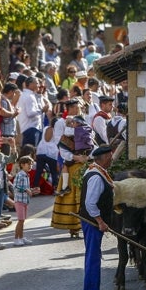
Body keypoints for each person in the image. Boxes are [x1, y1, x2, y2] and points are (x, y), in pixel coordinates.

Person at [79, 145, 115, 290]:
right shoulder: (96, 177)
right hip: (92, 222)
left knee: (94, 256)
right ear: (105, 158)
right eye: (111, 157)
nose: (112, 159)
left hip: (92, 221)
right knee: (93, 257)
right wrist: (100, 221)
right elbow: (90, 203)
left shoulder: (95, 170)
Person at [51, 99, 90, 237]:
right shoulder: (61, 123)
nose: (80, 109)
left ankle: (84, 225)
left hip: (85, 160)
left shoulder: (83, 120)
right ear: (72, 108)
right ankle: (74, 227)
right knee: (72, 195)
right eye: (78, 107)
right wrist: (75, 157)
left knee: (86, 195)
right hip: (72, 161)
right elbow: (59, 143)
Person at [13, 155, 34, 247]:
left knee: (23, 220)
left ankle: (21, 237)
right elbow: (16, 186)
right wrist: (26, 190)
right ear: (22, 165)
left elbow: (26, 188)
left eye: (31, 164)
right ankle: (16, 239)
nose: (30, 166)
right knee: (20, 220)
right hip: (19, 200)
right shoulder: (20, 175)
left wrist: (32, 190)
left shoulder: (26, 175)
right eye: (28, 164)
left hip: (25, 200)